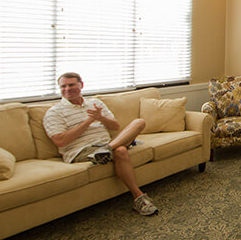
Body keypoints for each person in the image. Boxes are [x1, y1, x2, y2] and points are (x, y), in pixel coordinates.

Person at [43, 72, 158, 216]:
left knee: (139, 122)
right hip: (81, 150)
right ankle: (139, 198)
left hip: (105, 143)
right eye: (63, 86)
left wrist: (100, 118)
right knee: (121, 151)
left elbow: (115, 126)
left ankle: (107, 149)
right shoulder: (54, 112)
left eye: (71, 84)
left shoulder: (95, 104)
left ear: (81, 85)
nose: (67, 89)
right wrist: (89, 121)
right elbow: (60, 141)